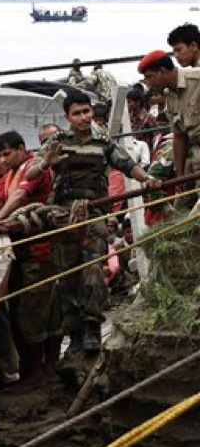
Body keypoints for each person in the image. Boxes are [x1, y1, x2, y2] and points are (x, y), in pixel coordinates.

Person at [25, 91, 160, 356]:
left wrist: (147, 180)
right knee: (66, 274)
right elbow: (31, 173)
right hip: (63, 215)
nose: (84, 117)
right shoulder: (57, 142)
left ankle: (91, 327)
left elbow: (127, 164)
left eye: (86, 111)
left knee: (93, 270)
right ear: (67, 117)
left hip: (94, 212)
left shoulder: (102, 141)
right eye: (77, 113)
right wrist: (45, 165)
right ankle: (74, 331)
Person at [0, 131, 62, 388]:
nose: (2, 160)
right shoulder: (12, 172)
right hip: (26, 253)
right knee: (35, 313)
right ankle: (38, 371)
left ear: (21, 148)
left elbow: (17, 198)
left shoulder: (33, 169)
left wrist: (0, 219)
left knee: (33, 316)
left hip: (39, 251)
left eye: (6, 154)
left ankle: (41, 372)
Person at [138, 49, 200, 210]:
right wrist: (180, 175)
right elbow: (179, 136)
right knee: (182, 211)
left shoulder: (197, 79)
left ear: (162, 71)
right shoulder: (169, 95)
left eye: (149, 77)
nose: (148, 82)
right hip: (192, 157)